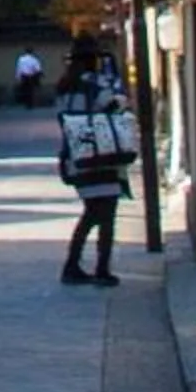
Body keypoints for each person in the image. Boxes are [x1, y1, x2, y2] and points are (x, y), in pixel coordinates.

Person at [54, 64, 137, 287]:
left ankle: (73, 265)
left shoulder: (64, 89)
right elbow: (114, 107)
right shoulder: (96, 84)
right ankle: (101, 269)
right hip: (103, 155)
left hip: (78, 158)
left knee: (90, 214)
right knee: (106, 216)